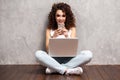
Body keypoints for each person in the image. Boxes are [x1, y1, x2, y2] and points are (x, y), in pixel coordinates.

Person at [35, 2, 93, 75]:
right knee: (38, 54)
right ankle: (66, 70)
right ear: (54, 17)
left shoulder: (72, 28)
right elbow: (47, 49)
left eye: (63, 16)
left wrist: (67, 36)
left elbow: (73, 48)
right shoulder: (49, 29)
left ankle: (55, 69)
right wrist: (53, 37)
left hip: (69, 59)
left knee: (88, 54)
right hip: (54, 59)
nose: (61, 18)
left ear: (67, 17)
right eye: (58, 16)